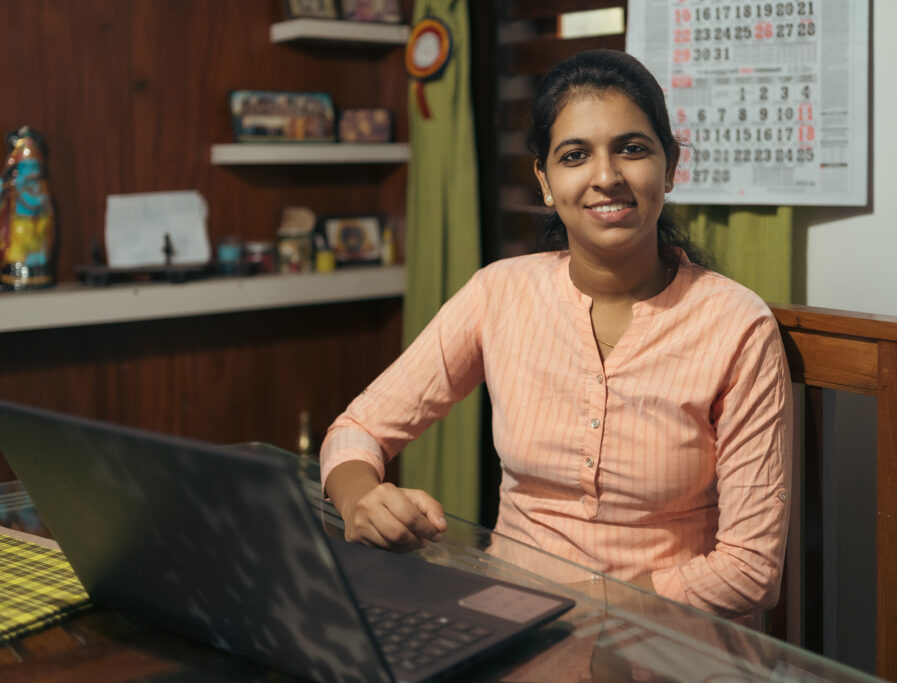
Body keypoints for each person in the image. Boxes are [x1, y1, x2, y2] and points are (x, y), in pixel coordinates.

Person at [321, 49, 793, 619]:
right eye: (575, 155)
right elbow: (358, 429)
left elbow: (749, 572)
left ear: (669, 167)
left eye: (633, 149)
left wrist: (581, 609)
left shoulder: (737, 326)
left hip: (665, 644)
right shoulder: (499, 294)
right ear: (545, 180)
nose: (606, 177)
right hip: (509, 622)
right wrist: (357, 499)